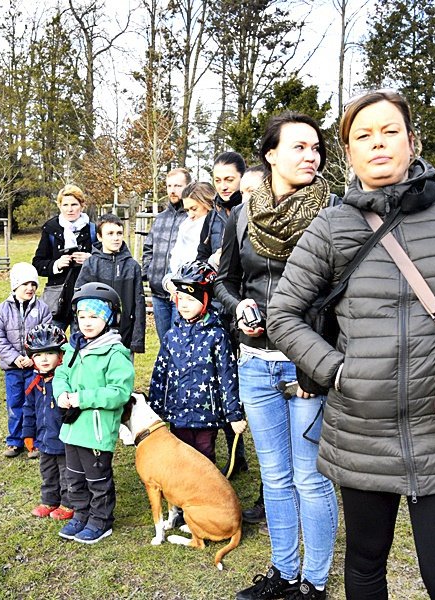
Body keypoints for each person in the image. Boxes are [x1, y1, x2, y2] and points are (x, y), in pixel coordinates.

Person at [266, 90, 435, 600]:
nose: (378, 143)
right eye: (363, 136)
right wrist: (336, 370)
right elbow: (284, 312)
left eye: (389, 131)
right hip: (362, 429)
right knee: (365, 565)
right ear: (349, 153)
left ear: (412, 142)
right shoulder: (331, 225)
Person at [214, 112, 338, 600]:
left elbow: (341, 295)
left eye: (316, 149)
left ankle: (315, 583)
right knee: (276, 477)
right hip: (256, 363)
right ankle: (284, 574)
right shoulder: (242, 215)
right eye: (300, 147)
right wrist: (238, 305)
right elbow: (223, 280)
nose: (312, 156)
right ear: (270, 155)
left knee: (310, 478)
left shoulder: (334, 214)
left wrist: (317, 365)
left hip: (306, 363)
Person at [54, 283, 134, 544]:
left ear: (109, 318)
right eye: (82, 316)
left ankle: (101, 521)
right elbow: (61, 373)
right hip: (72, 428)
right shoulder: (73, 348)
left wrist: (82, 398)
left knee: (97, 479)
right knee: (74, 477)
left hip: (96, 431)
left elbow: (118, 392)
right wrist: (61, 393)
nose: (87, 323)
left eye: (95, 317)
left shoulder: (115, 353)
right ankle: (81, 513)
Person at [149, 261, 246, 463]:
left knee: (204, 457)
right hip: (178, 413)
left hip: (207, 414)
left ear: (205, 300)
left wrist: (233, 414)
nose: (183, 305)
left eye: (190, 300)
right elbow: (160, 374)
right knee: (180, 458)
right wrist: (154, 409)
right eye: (180, 299)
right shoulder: (172, 335)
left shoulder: (217, 335)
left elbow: (228, 377)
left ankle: (206, 493)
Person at [0, 263, 52, 458]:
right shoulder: (2, 310)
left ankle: (33, 442)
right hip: (12, 368)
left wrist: (31, 358)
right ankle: (14, 441)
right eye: (25, 284)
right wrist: (15, 358)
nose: (30, 288)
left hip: (35, 368)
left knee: (34, 403)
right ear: (15, 285)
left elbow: (46, 336)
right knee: (15, 403)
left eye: (33, 284)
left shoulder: (42, 309)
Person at [22, 323, 74, 521]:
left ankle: (68, 503)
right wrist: (28, 434)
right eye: (38, 355)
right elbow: (28, 410)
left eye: (50, 353)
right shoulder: (34, 383)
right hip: (44, 441)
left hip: (64, 441)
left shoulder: (64, 382)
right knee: (47, 473)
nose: (44, 359)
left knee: (67, 474)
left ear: (60, 355)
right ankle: (49, 500)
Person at [74, 213, 146, 355]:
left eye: (119, 233)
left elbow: (139, 304)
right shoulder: (91, 264)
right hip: (95, 337)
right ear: (100, 237)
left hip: (124, 336)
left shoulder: (132, 267)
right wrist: (80, 332)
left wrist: (136, 340)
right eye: (110, 233)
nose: (115, 238)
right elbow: (79, 301)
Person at [32, 184, 96, 331]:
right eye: (65, 205)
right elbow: (37, 263)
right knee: (49, 344)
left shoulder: (92, 230)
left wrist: (90, 259)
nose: (70, 209)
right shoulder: (50, 229)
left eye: (74, 204)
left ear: (82, 205)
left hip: (85, 299)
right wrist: (57, 264)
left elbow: (104, 262)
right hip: (57, 299)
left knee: (80, 347)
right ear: (59, 206)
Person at [143, 168, 190, 340]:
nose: (172, 190)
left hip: (182, 292)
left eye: (178, 185)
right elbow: (148, 248)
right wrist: (148, 273)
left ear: (188, 187)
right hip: (158, 292)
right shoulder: (160, 218)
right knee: (164, 342)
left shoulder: (192, 217)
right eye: (169, 186)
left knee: (180, 341)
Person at [198, 152, 247, 269]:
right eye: (218, 180)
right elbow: (201, 259)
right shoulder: (212, 217)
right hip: (218, 284)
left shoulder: (253, 210)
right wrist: (214, 260)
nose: (223, 187)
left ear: (243, 178)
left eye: (229, 180)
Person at [164, 182, 214, 294]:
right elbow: (175, 260)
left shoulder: (215, 228)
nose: (190, 215)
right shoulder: (185, 227)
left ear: (207, 204)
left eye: (194, 208)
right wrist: (168, 281)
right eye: (187, 210)